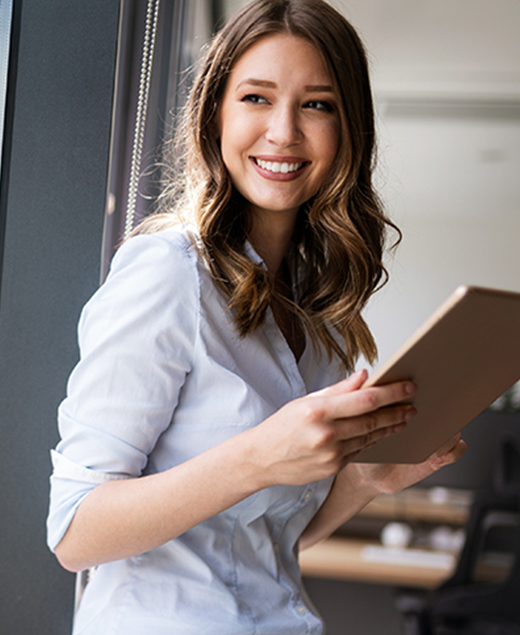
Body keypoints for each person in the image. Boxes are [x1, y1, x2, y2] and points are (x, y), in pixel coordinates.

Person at [47, 1, 466, 633]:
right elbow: (74, 531)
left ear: (349, 128)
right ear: (216, 111)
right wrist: (258, 457)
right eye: (256, 98)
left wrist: (365, 481)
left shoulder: (318, 311)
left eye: (317, 104)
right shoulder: (167, 271)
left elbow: (269, 540)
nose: (284, 132)